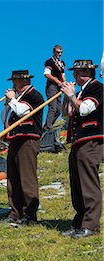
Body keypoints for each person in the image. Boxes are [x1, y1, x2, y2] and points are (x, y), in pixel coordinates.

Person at [60, 59, 103, 238]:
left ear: (86, 74)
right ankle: (79, 222)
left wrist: (71, 96)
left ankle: (91, 225)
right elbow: (65, 115)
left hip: (91, 140)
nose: (75, 77)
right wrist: (66, 96)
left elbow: (85, 109)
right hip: (79, 141)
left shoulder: (97, 88)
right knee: (77, 184)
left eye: (78, 73)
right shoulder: (80, 92)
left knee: (88, 184)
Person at [0, 70, 44, 225]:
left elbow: (22, 112)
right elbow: (4, 118)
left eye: (15, 81)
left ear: (23, 82)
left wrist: (12, 100)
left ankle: (30, 214)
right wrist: (8, 103)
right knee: (13, 178)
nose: (12, 84)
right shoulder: (17, 98)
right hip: (15, 139)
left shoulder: (34, 95)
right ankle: (15, 212)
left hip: (28, 139)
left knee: (27, 178)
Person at [43, 45, 66, 131]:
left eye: (61, 52)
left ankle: (49, 125)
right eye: (58, 52)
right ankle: (48, 128)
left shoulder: (62, 63)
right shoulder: (49, 62)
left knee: (58, 109)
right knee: (52, 107)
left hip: (59, 87)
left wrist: (64, 83)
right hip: (52, 86)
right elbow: (47, 74)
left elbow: (63, 74)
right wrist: (57, 82)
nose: (59, 54)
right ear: (53, 52)